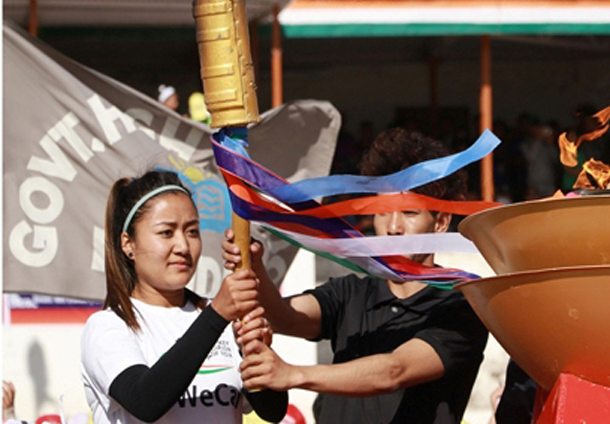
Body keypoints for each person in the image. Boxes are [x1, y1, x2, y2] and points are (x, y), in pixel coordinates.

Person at [223, 128, 489, 424]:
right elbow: (285, 316)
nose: (393, 227)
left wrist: (292, 374)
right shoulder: (351, 292)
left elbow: (394, 371)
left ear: (440, 222)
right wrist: (255, 263)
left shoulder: (461, 305)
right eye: (383, 212)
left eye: (409, 214)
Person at [81, 170, 287, 424]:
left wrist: (257, 351)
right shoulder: (108, 326)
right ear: (128, 244)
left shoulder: (221, 318)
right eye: (166, 232)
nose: (183, 246)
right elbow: (144, 401)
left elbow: (273, 412)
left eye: (191, 231)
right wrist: (217, 316)